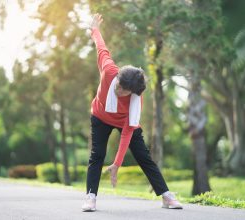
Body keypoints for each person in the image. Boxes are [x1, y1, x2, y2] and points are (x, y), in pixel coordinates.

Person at [82, 13, 183, 212]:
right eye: (118, 87)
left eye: (123, 92)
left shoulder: (136, 98)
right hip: (100, 116)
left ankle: (166, 196)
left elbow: (128, 131)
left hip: (123, 121)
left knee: (143, 156)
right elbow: (101, 47)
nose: (118, 92)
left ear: (132, 92)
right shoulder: (109, 70)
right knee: (97, 155)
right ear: (117, 77)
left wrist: (117, 164)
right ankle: (90, 197)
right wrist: (95, 29)